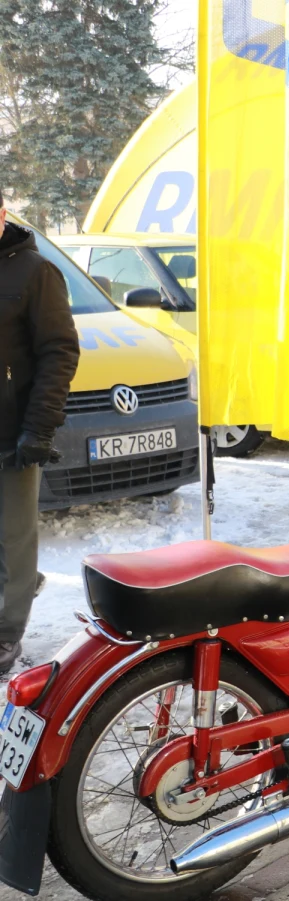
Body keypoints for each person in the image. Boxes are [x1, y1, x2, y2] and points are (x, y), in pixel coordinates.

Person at [0, 188, 81, 671]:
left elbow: (59, 353)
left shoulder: (35, 272)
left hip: (12, 434)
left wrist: (38, 429)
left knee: (14, 539)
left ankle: (6, 635)